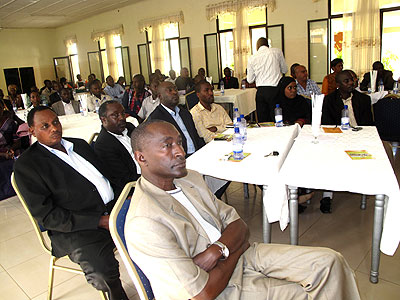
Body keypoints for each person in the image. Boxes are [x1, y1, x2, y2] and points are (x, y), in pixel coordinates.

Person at [124, 119, 361, 300]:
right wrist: (233, 249)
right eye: (167, 146)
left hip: (236, 258)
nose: (180, 151)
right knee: (303, 295)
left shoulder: (190, 179)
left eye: (179, 142)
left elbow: (238, 224)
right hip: (219, 288)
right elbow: (202, 293)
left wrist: (217, 250)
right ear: (141, 157)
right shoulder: (144, 221)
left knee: (330, 262)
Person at [13, 106, 129, 300]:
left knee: (156, 232)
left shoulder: (80, 145)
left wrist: (125, 199)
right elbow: (48, 216)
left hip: (113, 210)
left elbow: (108, 178)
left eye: (56, 122)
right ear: (32, 131)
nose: (54, 128)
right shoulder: (28, 165)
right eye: (45, 126)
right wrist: (99, 220)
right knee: (102, 272)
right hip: (77, 228)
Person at [321, 70, 374, 213]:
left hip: (359, 138)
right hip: (337, 138)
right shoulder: (329, 100)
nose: (351, 83)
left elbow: (369, 125)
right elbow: (326, 124)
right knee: (329, 159)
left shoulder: (363, 99)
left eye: (352, 80)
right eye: (346, 81)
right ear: (338, 85)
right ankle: (327, 195)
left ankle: (364, 188)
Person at [94, 101, 140, 199]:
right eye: (115, 115)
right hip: (134, 187)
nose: (122, 118)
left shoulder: (130, 128)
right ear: (104, 120)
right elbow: (122, 179)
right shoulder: (103, 145)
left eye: (123, 113)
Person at [147, 81, 205, 156]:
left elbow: (195, 137)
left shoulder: (185, 113)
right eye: (170, 90)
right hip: (178, 159)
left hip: (197, 154)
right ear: (160, 96)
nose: (174, 92)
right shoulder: (157, 119)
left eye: (175, 89)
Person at [247, 37, 288, 122]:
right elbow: (285, 70)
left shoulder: (252, 58)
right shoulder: (277, 52)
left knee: (263, 121)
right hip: (275, 90)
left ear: (257, 47)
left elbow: (250, 80)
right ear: (268, 45)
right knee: (277, 119)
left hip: (261, 92)